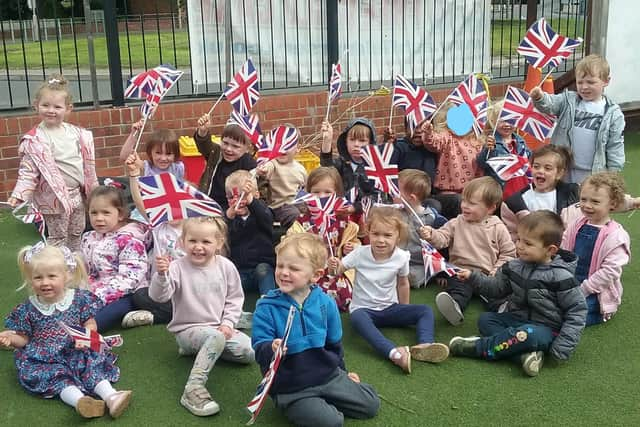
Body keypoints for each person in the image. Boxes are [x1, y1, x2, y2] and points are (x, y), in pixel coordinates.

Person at [252, 233, 380, 427]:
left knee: (371, 405)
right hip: (292, 387)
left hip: (328, 375)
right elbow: (259, 347)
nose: (284, 272)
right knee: (331, 422)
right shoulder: (266, 307)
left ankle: (327, 399)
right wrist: (271, 347)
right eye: (280, 266)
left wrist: (343, 373)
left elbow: (334, 344)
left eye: (293, 268)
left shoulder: (326, 303)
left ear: (316, 275)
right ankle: (298, 405)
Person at [0, 243, 131, 418]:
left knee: (92, 365)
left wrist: (86, 336)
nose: (45, 282)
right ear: (30, 279)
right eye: (38, 277)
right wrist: (11, 339)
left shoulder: (78, 299)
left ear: (66, 276)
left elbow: (90, 323)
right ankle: (81, 402)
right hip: (45, 357)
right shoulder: (28, 308)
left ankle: (111, 396)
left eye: (52, 276)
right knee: (57, 377)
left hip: (76, 348)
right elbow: (24, 339)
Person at [450, 211, 587, 377]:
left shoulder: (562, 277)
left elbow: (577, 311)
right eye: (519, 239)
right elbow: (496, 289)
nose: (520, 246)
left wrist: (563, 346)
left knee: (528, 334)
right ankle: (523, 355)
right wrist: (473, 277)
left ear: (550, 250)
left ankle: (477, 348)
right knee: (486, 320)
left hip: (546, 329)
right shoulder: (513, 266)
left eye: (528, 243)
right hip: (516, 319)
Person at [149, 216, 254, 417]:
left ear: (218, 243)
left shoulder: (226, 266)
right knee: (216, 338)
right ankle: (193, 388)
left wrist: (228, 323)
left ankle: (206, 350)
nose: (198, 247)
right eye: (193, 241)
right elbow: (159, 296)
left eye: (206, 241)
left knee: (248, 353)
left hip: (217, 328)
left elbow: (234, 299)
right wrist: (161, 275)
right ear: (182, 242)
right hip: (187, 330)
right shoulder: (176, 267)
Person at [329, 207, 449, 374]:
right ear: (368, 232)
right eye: (375, 234)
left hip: (390, 308)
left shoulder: (401, 256)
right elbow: (338, 270)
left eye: (387, 235)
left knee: (425, 310)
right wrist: (333, 267)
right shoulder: (359, 253)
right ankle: (393, 353)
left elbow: (403, 283)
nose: (380, 240)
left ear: (398, 237)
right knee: (356, 318)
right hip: (364, 311)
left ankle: (425, 345)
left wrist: (404, 308)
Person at [7, 74, 99, 251]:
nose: (51, 110)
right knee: (58, 236)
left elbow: (88, 166)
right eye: (45, 105)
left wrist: (93, 189)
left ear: (68, 109)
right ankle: (55, 269)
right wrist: (19, 194)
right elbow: (28, 172)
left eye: (57, 106)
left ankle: (76, 265)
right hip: (53, 199)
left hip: (77, 195)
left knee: (76, 232)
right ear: (36, 106)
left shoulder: (78, 134)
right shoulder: (35, 141)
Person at [419, 177, 516, 325]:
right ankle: (455, 307)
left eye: (472, 203)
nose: (464, 206)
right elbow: (442, 239)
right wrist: (431, 234)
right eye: (464, 201)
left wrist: (496, 270)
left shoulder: (498, 227)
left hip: (486, 275)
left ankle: (503, 310)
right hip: (461, 272)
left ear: (490, 208)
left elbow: (508, 254)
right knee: (459, 290)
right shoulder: (456, 222)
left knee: (497, 294)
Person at [531, 54, 625, 184]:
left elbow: (615, 145)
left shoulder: (613, 113)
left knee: (587, 202)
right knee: (562, 201)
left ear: (606, 81)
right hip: (564, 169)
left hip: (593, 172)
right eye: (580, 82)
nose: (584, 87)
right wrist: (540, 98)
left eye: (590, 82)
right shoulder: (568, 100)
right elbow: (551, 104)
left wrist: (613, 173)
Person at [561, 172, 631, 326]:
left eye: (595, 201)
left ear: (612, 204)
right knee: (547, 303)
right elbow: (564, 249)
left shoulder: (616, 236)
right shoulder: (577, 224)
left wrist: (583, 289)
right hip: (571, 282)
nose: (587, 205)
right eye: (583, 199)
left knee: (573, 314)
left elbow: (610, 272)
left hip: (596, 292)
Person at [287, 166, 360, 311]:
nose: (321, 197)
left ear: (337, 194)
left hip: (336, 271)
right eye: (316, 192)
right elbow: (290, 244)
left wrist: (350, 248)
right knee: (307, 293)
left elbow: (355, 242)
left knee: (345, 296)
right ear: (307, 194)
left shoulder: (344, 223)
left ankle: (326, 306)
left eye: (327, 192)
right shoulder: (302, 223)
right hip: (311, 272)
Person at [123, 154, 183, 327]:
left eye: (178, 206)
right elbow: (139, 201)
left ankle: (155, 317)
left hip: (185, 288)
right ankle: (179, 314)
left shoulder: (191, 231)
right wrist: (134, 175)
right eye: (168, 206)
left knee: (191, 301)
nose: (173, 212)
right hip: (162, 287)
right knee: (139, 296)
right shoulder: (159, 225)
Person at [81, 186, 150, 333]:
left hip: (127, 293)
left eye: (106, 213)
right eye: (94, 213)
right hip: (96, 287)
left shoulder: (129, 240)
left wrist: (99, 294)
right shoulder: (89, 237)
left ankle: (84, 334)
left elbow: (131, 277)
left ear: (120, 214)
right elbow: (85, 267)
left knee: (99, 317)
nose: (99, 218)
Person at [501, 145, 579, 242]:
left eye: (548, 168)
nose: (540, 171)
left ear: (559, 173)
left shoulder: (572, 194)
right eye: (536, 166)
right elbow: (512, 234)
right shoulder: (517, 201)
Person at [421, 102, 484, 219]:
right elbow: (433, 143)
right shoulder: (447, 137)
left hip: (472, 189)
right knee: (459, 204)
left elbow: (481, 165)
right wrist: (428, 132)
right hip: (449, 190)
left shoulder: (476, 141)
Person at [225, 170, 276, 296]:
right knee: (230, 282)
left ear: (255, 196)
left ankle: (268, 302)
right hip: (240, 271)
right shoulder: (231, 218)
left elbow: (266, 217)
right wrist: (228, 217)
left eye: (243, 196)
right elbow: (222, 234)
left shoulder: (261, 213)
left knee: (263, 270)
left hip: (262, 268)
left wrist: (251, 201)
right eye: (232, 197)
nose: (238, 201)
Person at [194, 113, 257, 210]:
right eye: (225, 143)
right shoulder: (216, 152)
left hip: (235, 208)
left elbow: (256, 188)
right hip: (210, 203)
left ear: (247, 148)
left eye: (235, 146)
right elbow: (204, 145)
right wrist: (202, 132)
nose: (228, 149)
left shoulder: (248, 163)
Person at [320, 118, 378, 219]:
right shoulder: (341, 163)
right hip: (341, 215)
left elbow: (377, 196)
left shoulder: (375, 167)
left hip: (367, 217)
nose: (356, 144)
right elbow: (327, 169)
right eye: (352, 140)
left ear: (370, 143)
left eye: (362, 141)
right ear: (345, 141)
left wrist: (355, 207)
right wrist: (327, 141)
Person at [477, 100, 532, 199]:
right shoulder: (491, 141)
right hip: (502, 190)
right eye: (502, 120)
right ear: (494, 121)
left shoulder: (520, 141)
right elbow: (482, 163)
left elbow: (529, 160)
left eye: (511, 120)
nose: (507, 124)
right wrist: (489, 150)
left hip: (521, 187)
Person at [393, 169, 437, 288]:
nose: (392, 192)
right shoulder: (395, 212)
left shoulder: (430, 218)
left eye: (397, 190)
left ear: (411, 198)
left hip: (418, 263)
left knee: (412, 277)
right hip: (396, 259)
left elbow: (438, 248)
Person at [255, 129, 307, 229]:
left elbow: (304, 188)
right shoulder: (273, 164)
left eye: (288, 144)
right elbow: (267, 169)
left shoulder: (301, 169)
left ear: (298, 148)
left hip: (297, 203)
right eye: (279, 144)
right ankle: (296, 232)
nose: (283, 148)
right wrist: (263, 170)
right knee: (293, 213)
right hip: (278, 207)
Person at [119, 123, 185, 181]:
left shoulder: (178, 168)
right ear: (150, 152)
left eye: (168, 154)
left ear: (175, 154)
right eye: (158, 153)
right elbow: (124, 157)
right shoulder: (145, 167)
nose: (163, 158)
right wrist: (133, 134)